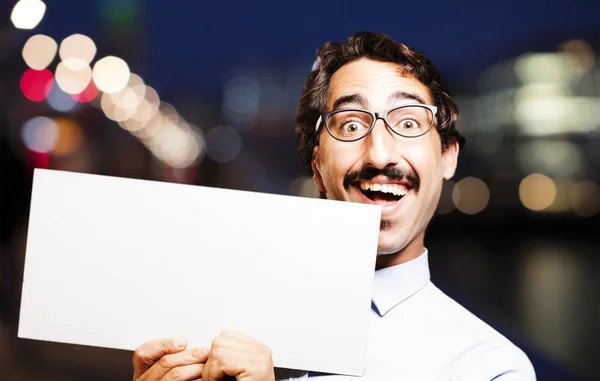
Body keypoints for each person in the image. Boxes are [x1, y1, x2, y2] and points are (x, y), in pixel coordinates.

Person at [131, 32, 536, 381]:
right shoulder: (207, 321)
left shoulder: (488, 368)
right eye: (352, 125)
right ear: (318, 168)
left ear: (448, 157)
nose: (380, 154)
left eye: (409, 123)